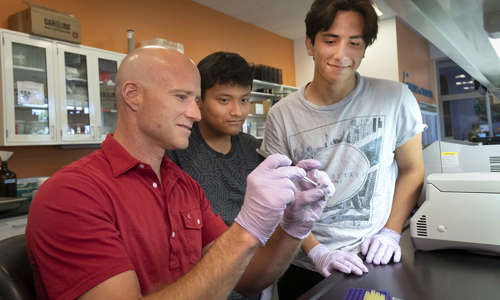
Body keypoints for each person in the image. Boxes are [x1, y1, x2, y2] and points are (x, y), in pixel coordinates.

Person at [25, 46, 335, 300]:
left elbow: (249, 280)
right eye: (181, 97)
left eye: (196, 99)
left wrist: (293, 225)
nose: (196, 113)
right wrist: (248, 228)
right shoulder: (72, 194)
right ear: (133, 95)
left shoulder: (185, 187)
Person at [258, 0, 426, 298]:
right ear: (310, 44)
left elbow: (413, 170)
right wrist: (317, 250)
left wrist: (389, 232)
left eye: (354, 43)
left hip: (376, 260)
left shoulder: (394, 98)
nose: (341, 54)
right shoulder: (281, 115)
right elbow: (282, 198)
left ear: (364, 49)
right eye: (330, 40)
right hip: (306, 266)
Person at [166, 51, 265, 300]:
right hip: (198, 281)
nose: (237, 111)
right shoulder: (177, 150)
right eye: (224, 100)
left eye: (244, 100)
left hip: (249, 274)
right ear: (199, 101)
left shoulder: (253, 149)